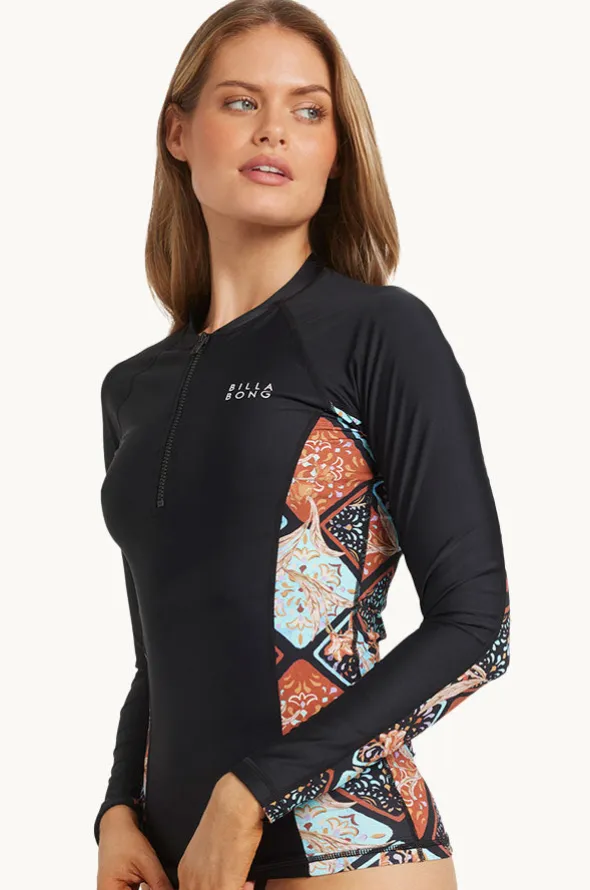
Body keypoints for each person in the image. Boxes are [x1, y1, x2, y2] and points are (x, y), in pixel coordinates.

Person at [94, 2, 511, 889]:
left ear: (334, 153)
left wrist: (250, 796)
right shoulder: (133, 387)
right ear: (178, 132)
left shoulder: (379, 333)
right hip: (174, 860)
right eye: (241, 101)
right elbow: (157, 652)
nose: (275, 129)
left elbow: (477, 628)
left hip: (349, 846)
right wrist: (116, 808)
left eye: (308, 110)